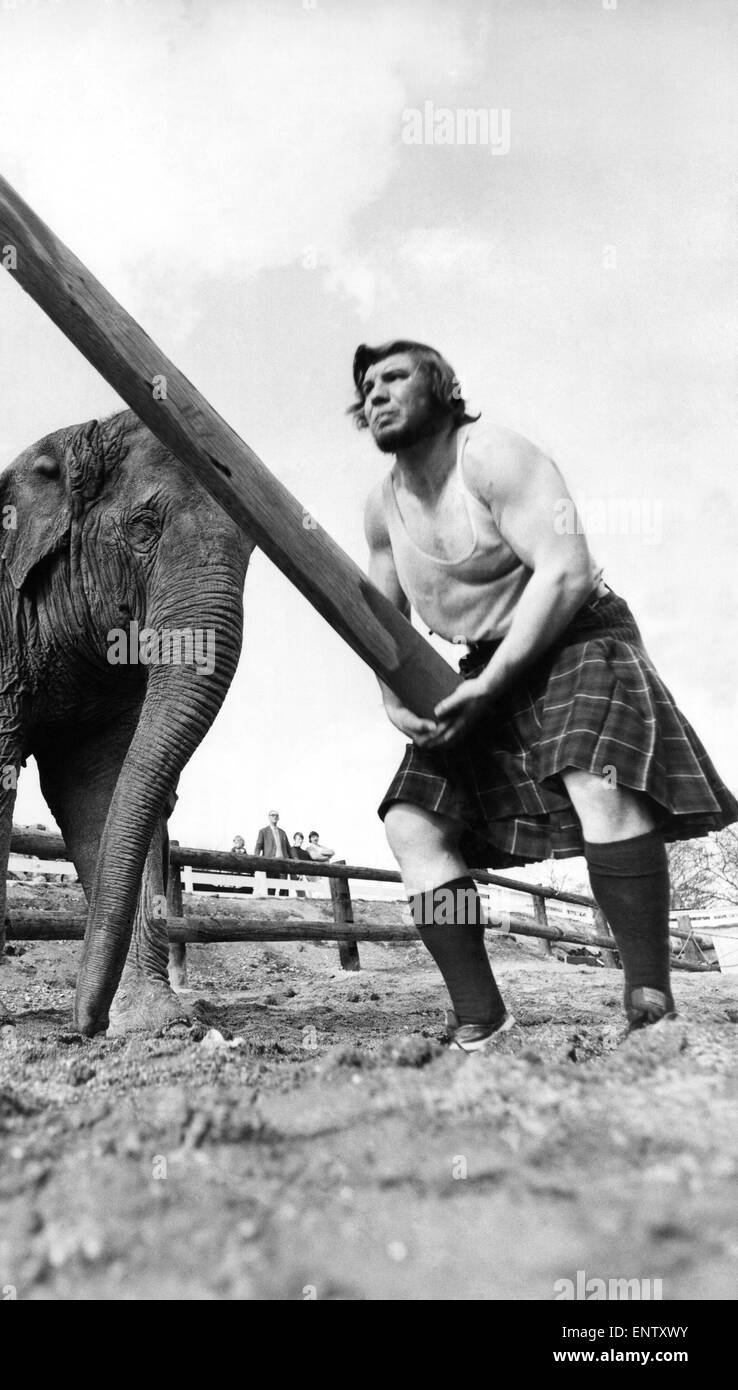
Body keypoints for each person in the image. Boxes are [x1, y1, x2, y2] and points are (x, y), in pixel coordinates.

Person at [356, 338, 738, 1051]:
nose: (376, 392)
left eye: (396, 376)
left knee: (599, 776)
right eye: (368, 385)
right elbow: (381, 622)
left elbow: (564, 571)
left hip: (577, 634)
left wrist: (492, 685)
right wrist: (392, 698)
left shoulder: (493, 456)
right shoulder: (381, 511)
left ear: (439, 387)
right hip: (484, 664)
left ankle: (649, 999)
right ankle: (481, 1018)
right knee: (413, 821)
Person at [254, 810, 292, 895]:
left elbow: (288, 848)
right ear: (269, 817)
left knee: (284, 887)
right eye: (272, 815)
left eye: (276, 815)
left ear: (278, 818)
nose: (274, 817)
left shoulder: (283, 832)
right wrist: (256, 860)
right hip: (270, 863)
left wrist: (294, 861)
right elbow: (258, 846)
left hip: (283, 863)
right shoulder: (263, 831)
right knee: (271, 888)